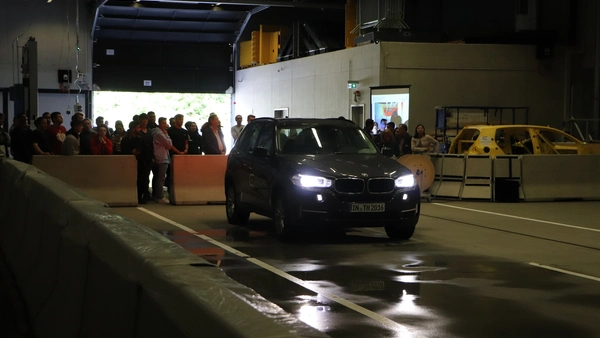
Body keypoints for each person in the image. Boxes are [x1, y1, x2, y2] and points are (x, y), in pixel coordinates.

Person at [121, 120, 152, 204]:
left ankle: (139, 196)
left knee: (141, 180)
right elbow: (122, 151)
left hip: (140, 164)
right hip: (128, 165)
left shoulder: (141, 139)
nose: (140, 129)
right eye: (138, 128)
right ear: (132, 129)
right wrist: (131, 152)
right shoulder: (125, 139)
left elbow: (146, 151)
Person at [152, 117, 173, 204]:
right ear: (159, 123)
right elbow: (169, 144)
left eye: (165, 123)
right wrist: (167, 135)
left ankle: (156, 195)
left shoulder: (155, 132)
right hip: (161, 157)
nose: (165, 125)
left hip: (160, 156)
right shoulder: (160, 134)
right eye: (163, 123)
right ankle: (160, 196)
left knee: (158, 177)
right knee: (161, 178)